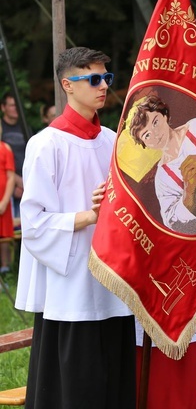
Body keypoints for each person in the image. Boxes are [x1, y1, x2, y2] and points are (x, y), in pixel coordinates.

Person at [14, 47, 135, 409]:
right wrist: (89, 215)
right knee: (74, 386)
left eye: (106, 78)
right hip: (71, 282)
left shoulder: (114, 140)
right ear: (68, 84)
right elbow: (33, 223)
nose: (103, 87)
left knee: (115, 380)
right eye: (93, 79)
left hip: (113, 277)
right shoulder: (45, 144)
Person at [128, 93, 196, 234]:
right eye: (146, 135)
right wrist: (188, 194)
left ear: (164, 115)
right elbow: (173, 223)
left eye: (155, 122)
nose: (155, 134)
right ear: (144, 144)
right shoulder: (163, 179)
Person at [1, 92, 27, 219]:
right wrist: (18, 183)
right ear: (3, 107)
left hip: (26, 185)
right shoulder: (1, 128)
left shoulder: (25, 127)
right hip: (8, 187)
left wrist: (26, 184)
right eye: (12, 105)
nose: (15, 108)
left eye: (17, 105)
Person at [0, 122, 15, 273]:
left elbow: (10, 177)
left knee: (4, 235)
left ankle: (6, 268)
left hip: (3, 200)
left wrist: (4, 201)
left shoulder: (5, 148)